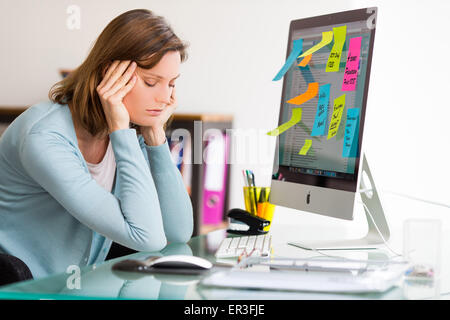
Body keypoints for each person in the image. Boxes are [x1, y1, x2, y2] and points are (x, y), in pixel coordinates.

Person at [0, 9, 193, 280]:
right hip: (26, 289)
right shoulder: (44, 138)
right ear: (109, 75)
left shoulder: (125, 132)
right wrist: (121, 132)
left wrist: (155, 135)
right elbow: (146, 237)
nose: (165, 98)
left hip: (78, 286)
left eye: (171, 84)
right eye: (151, 82)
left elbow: (178, 233)